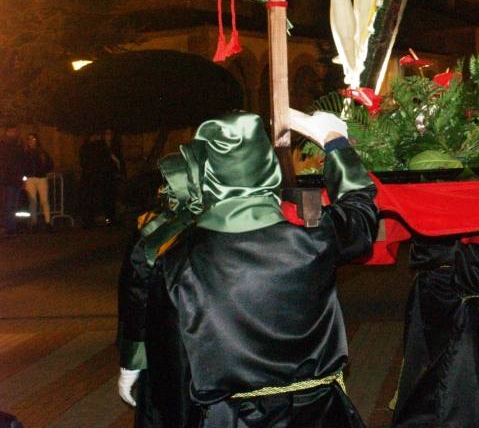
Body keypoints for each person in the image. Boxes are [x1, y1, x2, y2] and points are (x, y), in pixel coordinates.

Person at [116, 110, 378, 427]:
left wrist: (133, 367)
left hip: (231, 419)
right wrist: (333, 141)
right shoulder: (315, 242)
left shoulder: (178, 263)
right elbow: (360, 209)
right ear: (269, 168)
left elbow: (170, 365)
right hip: (315, 415)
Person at [79, 129, 123, 227]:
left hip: (105, 176)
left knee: (108, 198)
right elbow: (87, 162)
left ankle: (109, 218)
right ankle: (89, 220)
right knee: (92, 199)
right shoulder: (92, 147)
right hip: (94, 176)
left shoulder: (109, 147)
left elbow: (117, 160)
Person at [0, 125, 27, 235]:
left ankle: (12, 225)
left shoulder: (19, 146)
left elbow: (22, 163)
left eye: (15, 131)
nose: (13, 133)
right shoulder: (4, 146)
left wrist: (23, 178)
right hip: (9, 179)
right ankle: (9, 226)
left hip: (16, 179)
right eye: (11, 131)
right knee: (9, 203)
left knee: (14, 204)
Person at [23, 133, 53, 230]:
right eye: (29, 139)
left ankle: (48, 222)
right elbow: (22, 166)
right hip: (30, 178)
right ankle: (34, 223)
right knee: (33, 201)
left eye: (33, 139)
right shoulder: (26, 153)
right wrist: (25, 177)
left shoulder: (42, 152)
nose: (31, 141)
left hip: (41, 178)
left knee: (44, 200)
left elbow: (50, 163)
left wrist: (45, 171)